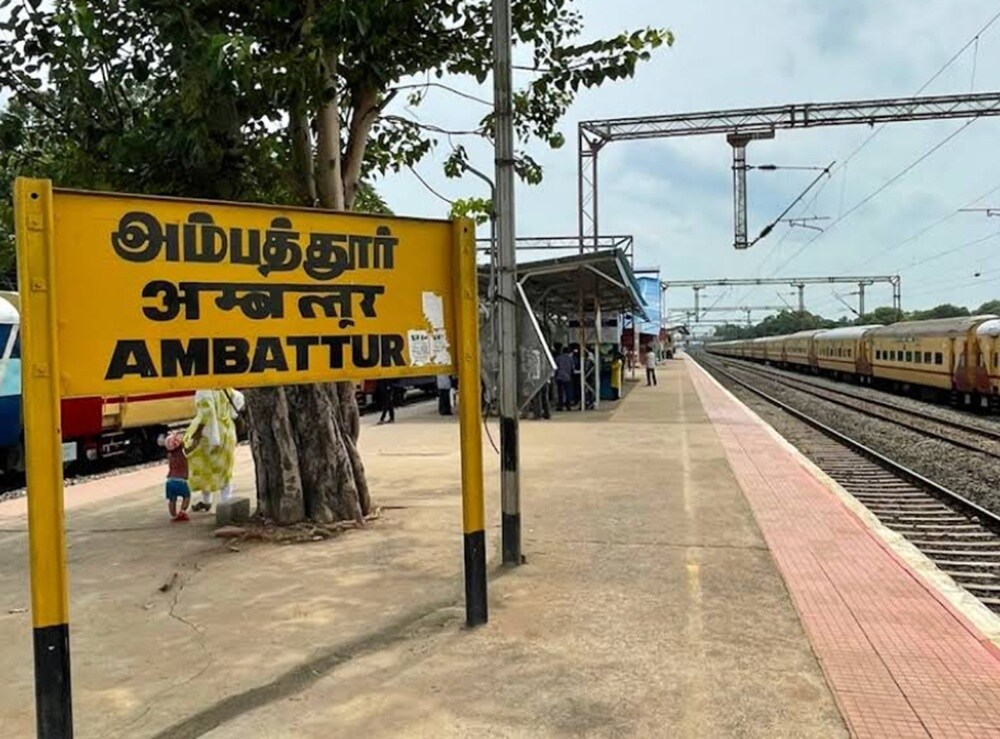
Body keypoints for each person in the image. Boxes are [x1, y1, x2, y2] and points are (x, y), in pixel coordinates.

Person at [185, 388, 243, 513]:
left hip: (209, 436)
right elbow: (239, 399)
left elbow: (206, 415)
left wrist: (196, 436)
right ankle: (224, 502)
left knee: (204, 468)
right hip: (227, 432)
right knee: (225, 470)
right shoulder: (224, 388)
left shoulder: (203, 391)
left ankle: (208, 501)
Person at [164, 431, 191, 522]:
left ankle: (173, 514)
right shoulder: (182, 454)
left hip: (170, 481)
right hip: (180, 480)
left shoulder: (169, 455)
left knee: (172, 499)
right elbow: (190, 447)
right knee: (186, 497)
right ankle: (182, 511)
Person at [554, 346, 575, 410]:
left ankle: (560, 406)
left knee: (560, 392)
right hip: (568, 377)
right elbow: (572, 368)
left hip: (560, 377)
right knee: (568, 391)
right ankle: (568, 406)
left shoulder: (558, 358)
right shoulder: (570, 359)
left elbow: (555, 367)